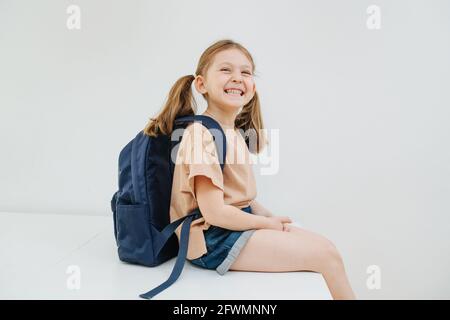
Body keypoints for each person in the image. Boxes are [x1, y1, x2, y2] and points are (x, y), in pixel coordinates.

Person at [143, 39, 356, 300]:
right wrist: (266, 224)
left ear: (252, 86)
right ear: (201, 84)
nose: (237, 78)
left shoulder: (233, 132)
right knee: (325, 258)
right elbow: (215, 212)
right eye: (225, 70)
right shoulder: (200, 134)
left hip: (232, 227)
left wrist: (274, 220)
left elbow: (242, 199)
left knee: (328, 248)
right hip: (213, 240)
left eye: (245, 72)